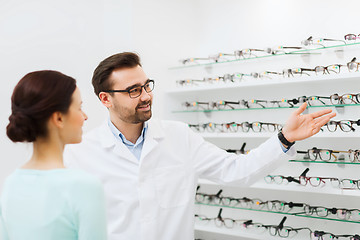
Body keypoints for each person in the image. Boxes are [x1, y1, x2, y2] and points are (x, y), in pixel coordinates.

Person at [64, 52, 336, 240]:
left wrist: (284, 138)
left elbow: (238, 170)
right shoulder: (80, 153)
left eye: (147, 86)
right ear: (105, 99)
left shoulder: (178, 136)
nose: (146, 96)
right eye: (133, 90)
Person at [0, 70, 107, 240]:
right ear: (58, 118)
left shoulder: (11, 183)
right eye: (79, 107)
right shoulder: (84, 187)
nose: (84, 116)